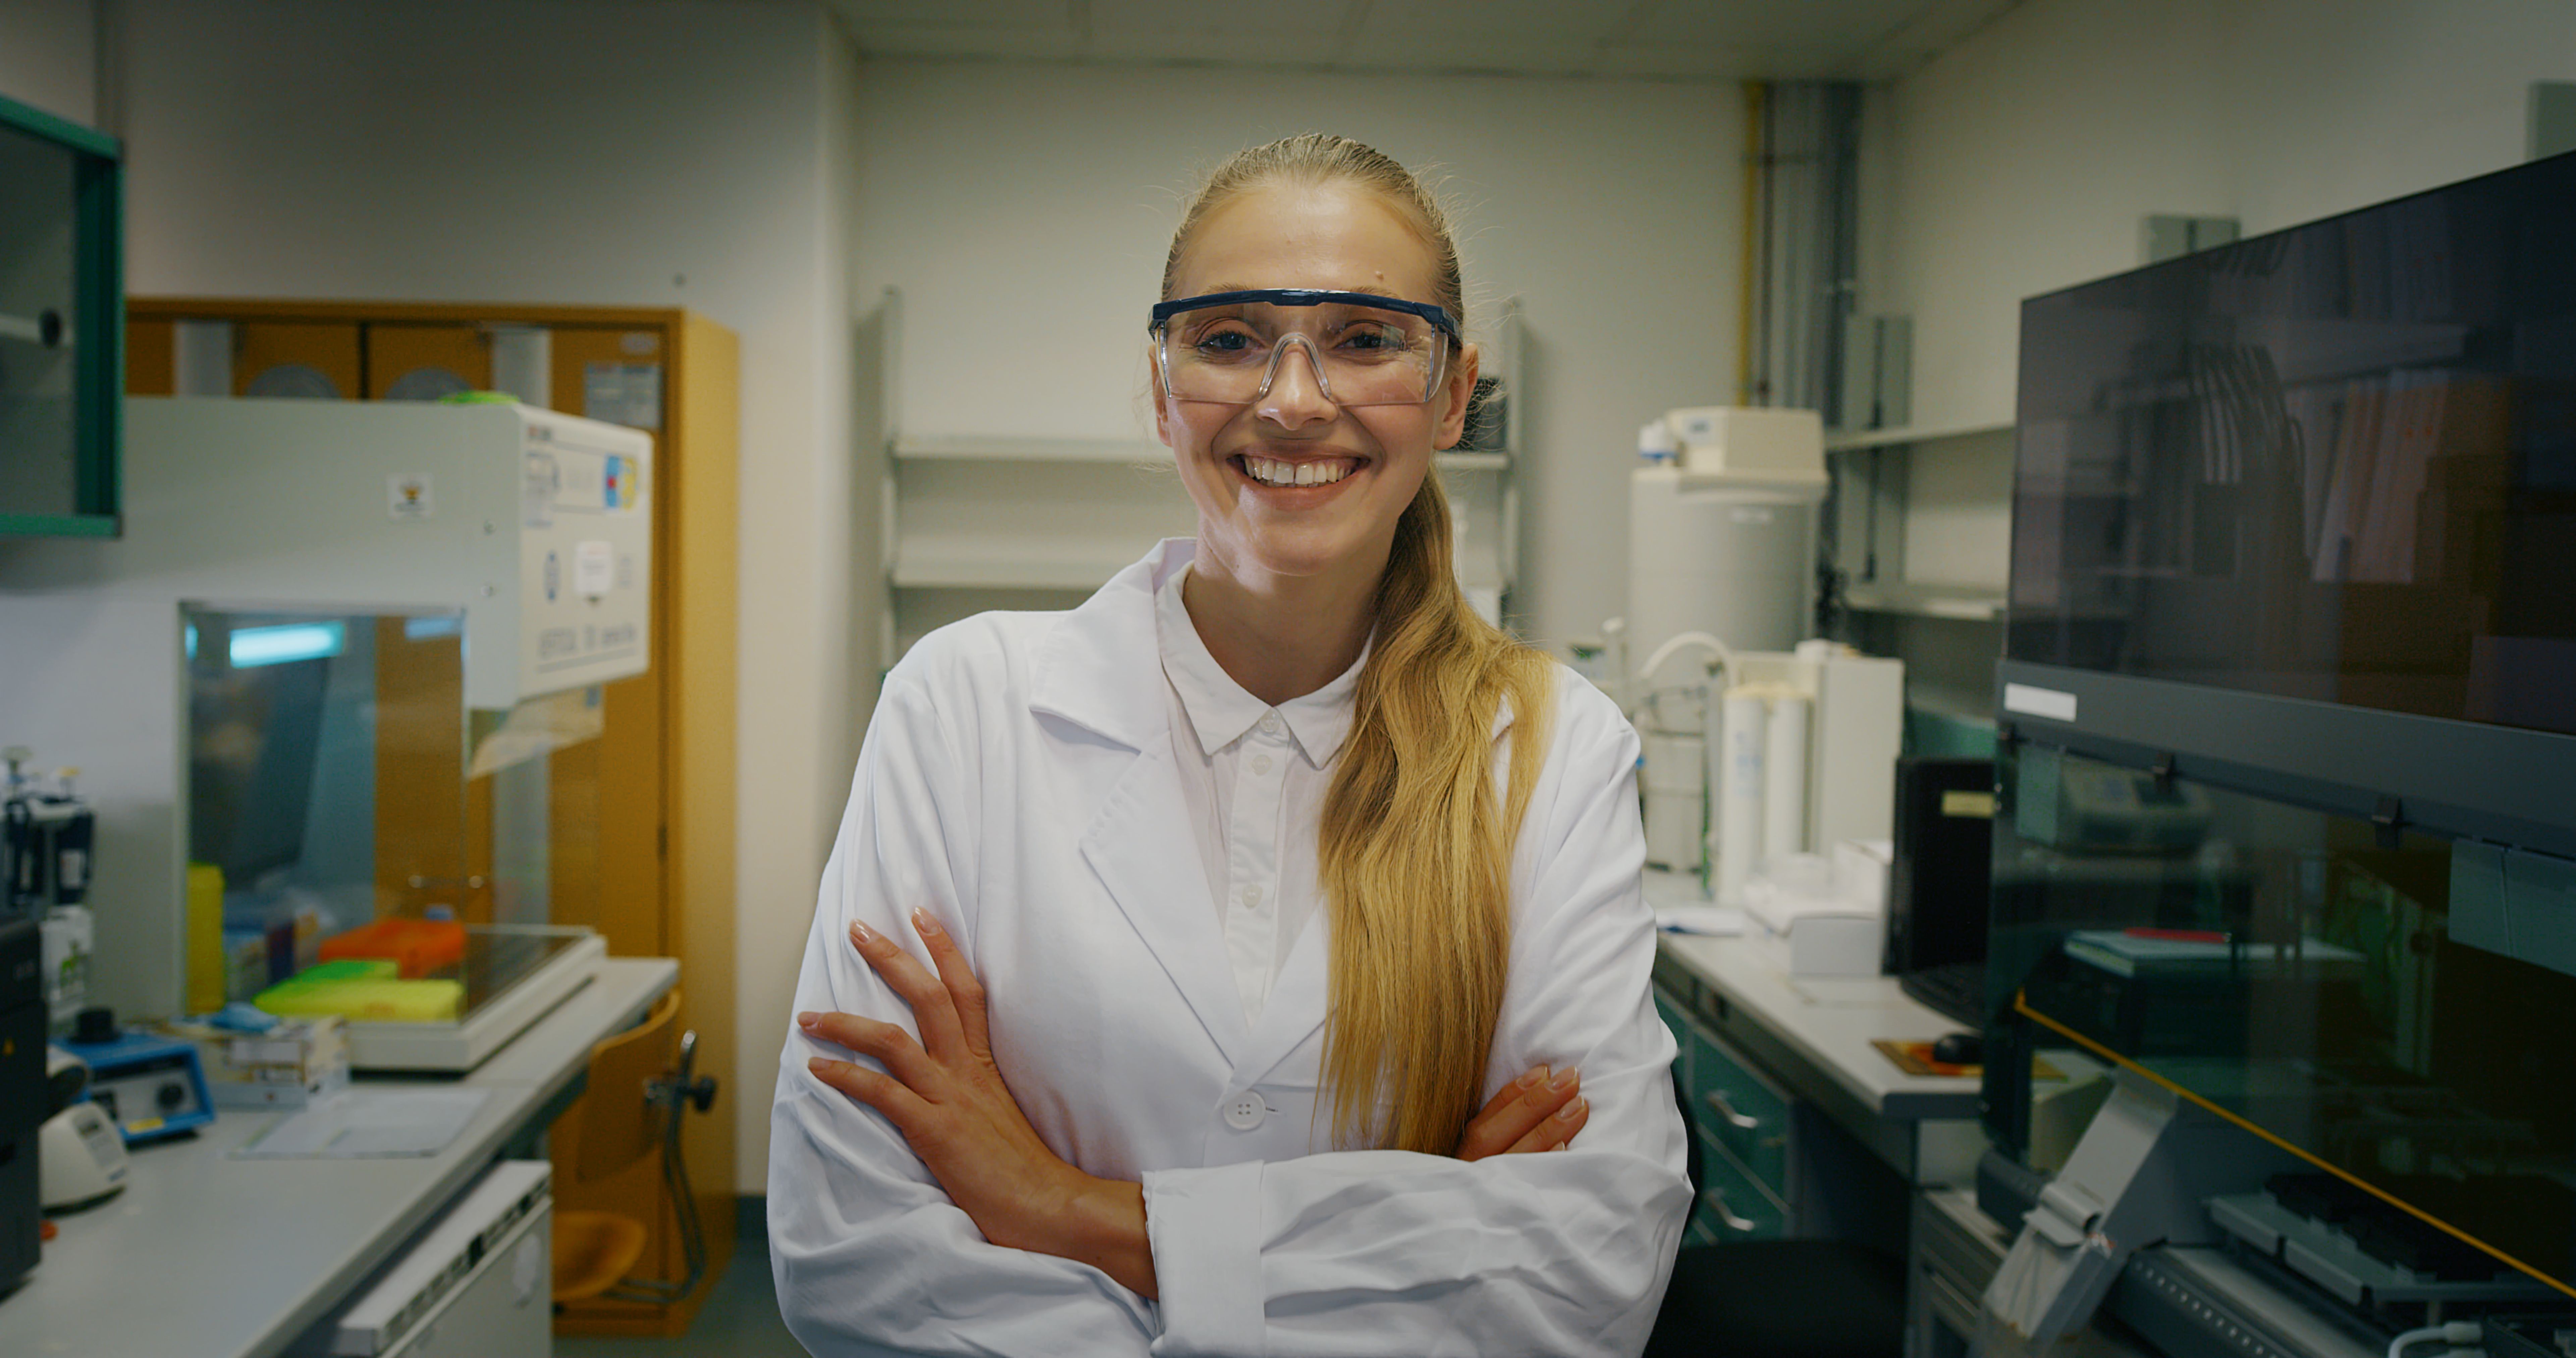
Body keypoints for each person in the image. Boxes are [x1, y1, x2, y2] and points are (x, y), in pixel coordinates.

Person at [770, 132, 1689, 1357]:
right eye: (1230, 338)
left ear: (1456, 393)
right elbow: (855, 1255)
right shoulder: (961, 705)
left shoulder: (1553, 748)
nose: (1293, 396)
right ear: (1160, 388)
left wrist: (1071, 1210)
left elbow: (1593, 1260)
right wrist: (1415, 1239)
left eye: (1367, 339)